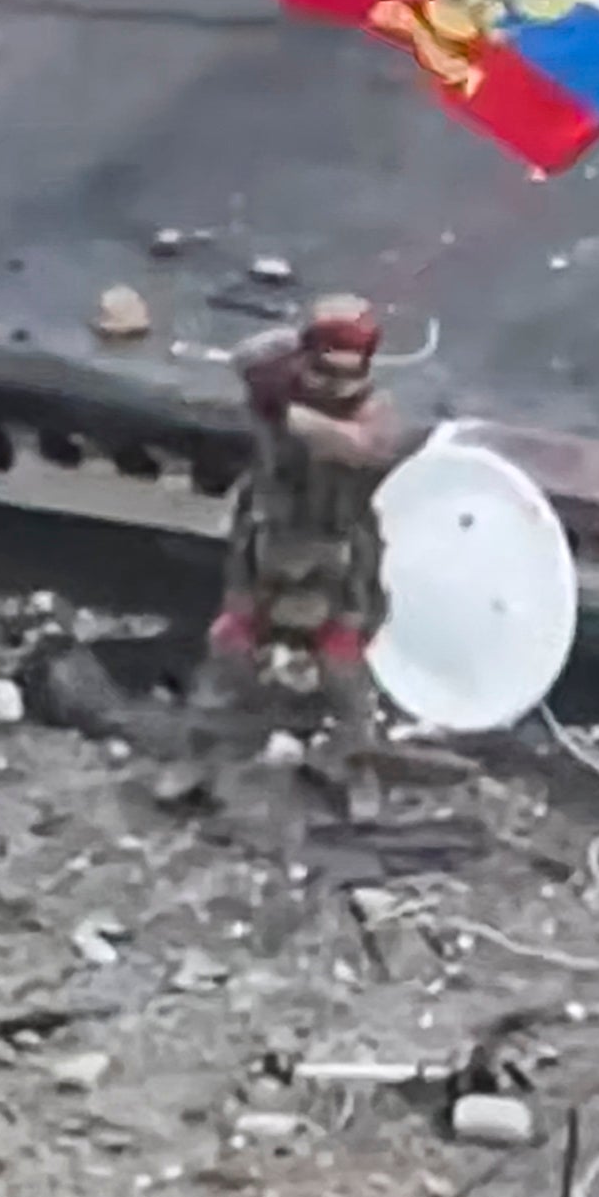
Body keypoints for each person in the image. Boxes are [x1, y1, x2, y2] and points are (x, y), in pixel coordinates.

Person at [196, 293, 407, 818]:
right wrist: (290, 343)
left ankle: (357, 766)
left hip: (337, 556)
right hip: (267, 543)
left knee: (342, 667)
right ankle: (201, 754)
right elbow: (245, 358)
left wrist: (291, 413)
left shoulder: (372, 414)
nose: (338, 383)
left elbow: (362, 446)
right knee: (229, 647)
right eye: (326, 365)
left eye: (349, 369)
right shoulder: (278, 385)